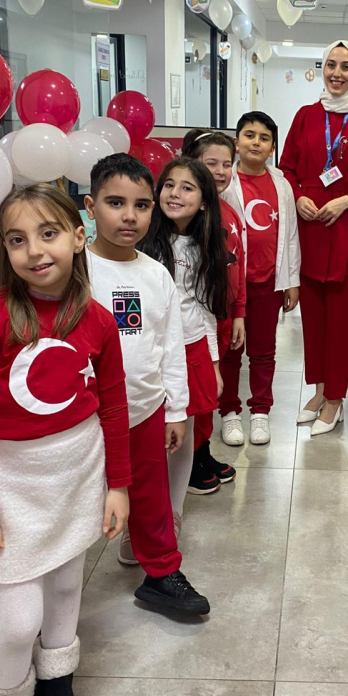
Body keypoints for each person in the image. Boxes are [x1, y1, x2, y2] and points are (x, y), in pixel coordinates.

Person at [0, 184, 130, 696]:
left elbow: (113, 405)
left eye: (48, 233)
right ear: (5, 250)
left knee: (64, 593)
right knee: (17, 621)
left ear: (79, 237)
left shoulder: (98, 320)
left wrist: (117, 484)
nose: (34, 250)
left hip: (77, 477)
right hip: (13, 487)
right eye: (17, 239)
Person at [85, 153, 210, 616]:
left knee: (152, 497)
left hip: (144, 409)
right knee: (78, 498)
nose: (129, 216)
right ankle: (54, 588)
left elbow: (170, 347)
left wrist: (175, 409)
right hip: (84, 417)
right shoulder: (74, 270)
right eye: (115, 203)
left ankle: (160, 573)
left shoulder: (156, 274)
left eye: (140, 205)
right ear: (90, 206)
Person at [280, 40, 348, 435]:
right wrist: (298, 195)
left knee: (340, 323)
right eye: (331, 65)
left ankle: (336, 399)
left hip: (346, 231)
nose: (337, 73)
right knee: (312, 321)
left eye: (345, 66)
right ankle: (319, 390)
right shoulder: (305, 116)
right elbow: (287, 168)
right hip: (310, 228)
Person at [139, 158, 228, 538]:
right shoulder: (143, 239)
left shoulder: (206, 247)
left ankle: (173, 512)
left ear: (205, 201)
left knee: (183, 434)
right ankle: (143, 516)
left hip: (191, 350)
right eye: (169, 185)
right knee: (148, 440)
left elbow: (206, 310)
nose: (175, 194)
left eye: (187, 188)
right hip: (148, 352)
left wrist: (214, 363)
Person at [220, 111, 301, 445]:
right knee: (230, 350)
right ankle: (229, 412)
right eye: (249, 135)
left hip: (268, 282)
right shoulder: (225, 183)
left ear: (272, 148)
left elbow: (290, 234)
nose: (256, 142)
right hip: (230, 284)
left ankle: (260, 412)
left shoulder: (281, 185)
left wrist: (291, 280)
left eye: (264, 138)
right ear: (236, 142)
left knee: (263, 351)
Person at [181, 128, 244, 490]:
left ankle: (202, 450)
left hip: (221, 318)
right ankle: (189, 459)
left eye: (226, 164)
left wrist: (239, 313)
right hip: (195, 322)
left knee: (209, 392)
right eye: (211, 163)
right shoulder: (189, 218)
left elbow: (240, 267)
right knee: (196, 392)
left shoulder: (230, 213)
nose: (220, 171)